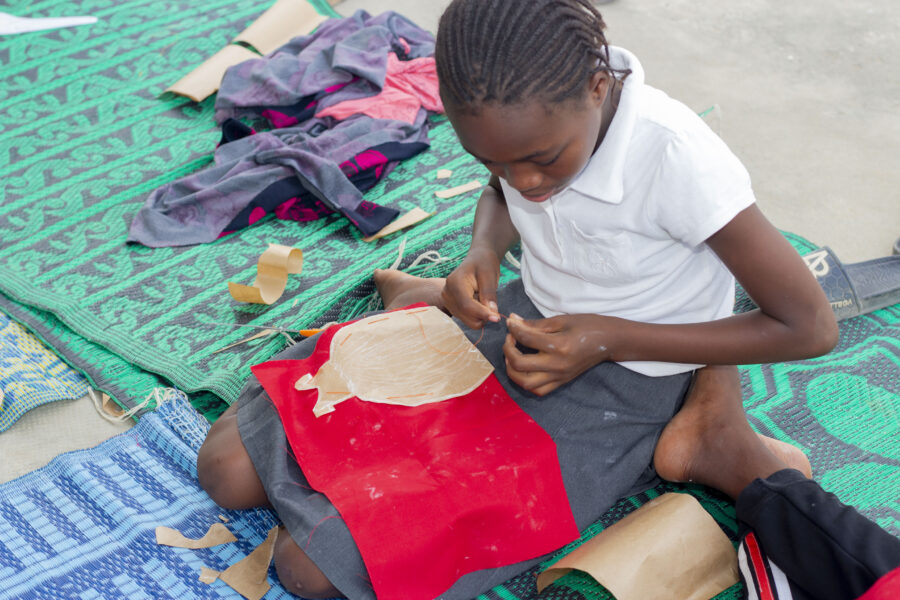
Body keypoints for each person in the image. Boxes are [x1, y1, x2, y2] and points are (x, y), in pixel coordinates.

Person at [196, 0, 876, 597]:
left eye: (543, 161)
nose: (527, 183)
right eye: (493, 161)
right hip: (521, 326)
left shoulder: (677, 160)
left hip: (629, 382)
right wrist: (484, 254)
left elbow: (807, 326)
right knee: (224, 469)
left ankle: (705, 425)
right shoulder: (528, 136)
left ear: (597, 85)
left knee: (311, 570)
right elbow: (502, 195)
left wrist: (609, 339)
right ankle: (429, 302)